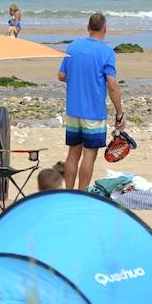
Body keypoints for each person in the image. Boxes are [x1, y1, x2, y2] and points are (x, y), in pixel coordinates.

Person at [56, 13, 124, 191]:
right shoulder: (106, 52)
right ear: (105, 29)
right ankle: (82, 192)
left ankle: (69, 192)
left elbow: (62, 75)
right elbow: (112, 85)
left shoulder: (72, 48)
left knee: (73, 153)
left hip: (73, 110)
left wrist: (78, 79)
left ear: (88, 28)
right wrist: (119, 112)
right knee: (89, 154)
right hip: (93, 112)